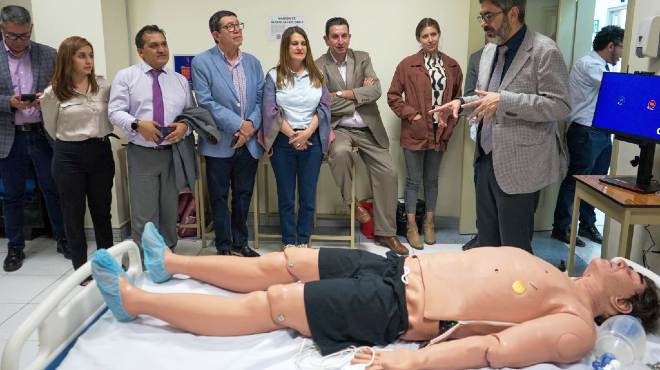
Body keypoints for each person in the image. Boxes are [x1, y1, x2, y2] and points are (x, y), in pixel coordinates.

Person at [92, 222, 659, 370]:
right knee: (286, 259)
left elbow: (494, 350)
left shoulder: (575, 325)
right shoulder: (562, 269)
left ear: (625, 305)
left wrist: (409, 362)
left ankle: (136, 302)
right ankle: (167, 264)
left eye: (632, 273)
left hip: (396, 310)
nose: (621, 262)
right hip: (397, 266)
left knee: (272, 305)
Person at [433, 0, 570, 254]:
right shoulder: (489, 51)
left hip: (521, 165)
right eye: (481, 16)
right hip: (485, 159)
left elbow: (560, 105)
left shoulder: (544, 51)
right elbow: (485, 96)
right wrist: (459, 104)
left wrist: (505, 101)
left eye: (489, 16)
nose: (484, 23)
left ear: (513, 13)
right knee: (487, 244)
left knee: (514, 249)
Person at [315, 17, 407, 255]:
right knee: (341, 153)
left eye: (344, 35)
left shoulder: (362, 57)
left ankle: (386, 233)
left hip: (368, 127)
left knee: (389, 172)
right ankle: (352, 204)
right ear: (326, 39)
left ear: (349, 37)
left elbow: (375, 90)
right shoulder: (318, 65)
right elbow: (323, 102)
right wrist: (358, 96)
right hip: (339, 128)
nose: (340, 41)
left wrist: (342, 93)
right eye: (334, 36)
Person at [108, 25, 192, 250]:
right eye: (154, 45)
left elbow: (190, 116)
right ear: (141, 51)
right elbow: (114, 111)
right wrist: (137, 124)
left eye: (164, 44)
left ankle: (168, 257)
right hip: (142, 153)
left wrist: (184, 127)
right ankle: (145, 264)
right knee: (144, 215)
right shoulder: (127, 77)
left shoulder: (179, 80)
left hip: (173, 155)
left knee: (169, 212)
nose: (161, 49)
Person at [0, 5, 67, 272]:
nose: (21, 41)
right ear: (2, 30)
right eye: (14, 36)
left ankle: (64, 239)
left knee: (54, 190)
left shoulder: (48, 54)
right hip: (10, 137)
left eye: (25, 35)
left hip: (43, 134)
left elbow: (63, 90)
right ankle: (15, 247)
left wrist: (46, 98)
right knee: (13, 195)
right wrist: (9, 102)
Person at [191, 10, 262, 257]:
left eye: (238, 24)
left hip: (249, 143)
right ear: (216, 35)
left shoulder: (252, 62)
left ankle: (240, 242)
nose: (237, 29)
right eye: (230, 26)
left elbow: (261, 99)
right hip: (219, 142)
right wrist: (238, 125)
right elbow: (206, 102)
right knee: (219, 197)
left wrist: (250, 127)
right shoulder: (202, 62)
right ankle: (223, 246)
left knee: (243, 195)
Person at [41, 37, 115, 274]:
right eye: (81, 55)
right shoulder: (54, 93)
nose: (88, 61)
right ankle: (81, 270)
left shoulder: (103, 86)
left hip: (100, 152)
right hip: (69, 155)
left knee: (102, 211)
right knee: (73, 214)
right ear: (67, 59)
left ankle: (108, 265)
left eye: (90, 55)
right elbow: (51, 128)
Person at [387, 18, 463, 250]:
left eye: (433, 34)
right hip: (415, 132)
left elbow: (459, 98)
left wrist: (449, 119)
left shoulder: (452, 66)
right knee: (412, 180)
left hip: (439, 132)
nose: (430, 39)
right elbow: (393, 96)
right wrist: (414, 115)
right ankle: (411, 225)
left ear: (439, 35)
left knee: (431, 180)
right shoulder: (407, 65)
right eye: (425, 36)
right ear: (419, 39)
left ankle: (429, 222)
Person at [552, 25, 625, 248]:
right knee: (576, 181)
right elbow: (614, 89)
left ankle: (586, 224)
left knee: (596, 183)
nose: (622, 52)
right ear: (611, 46)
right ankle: (560, 228)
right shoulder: (589, 64)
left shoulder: (601, 66)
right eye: (621, 47)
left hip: (601, 133)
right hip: (585, 132)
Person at [261, 26, 331, 249]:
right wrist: (293, 135)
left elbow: (324, 107)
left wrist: (307, 133)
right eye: (294, 43)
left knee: (308, 197)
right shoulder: (273, 75)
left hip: (312, 140)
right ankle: (289, 242)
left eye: (303, 43)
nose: (300, 47)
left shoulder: (317, 75)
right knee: (287, 197)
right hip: (283, 142)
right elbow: (269, 110)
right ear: (286, 47)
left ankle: (303, 241)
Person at [462, 46, 485, 251]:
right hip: (483, 130)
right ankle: (483, 235)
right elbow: (469, 94)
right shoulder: (477, 57)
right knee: (482, 184)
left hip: (515, 139)